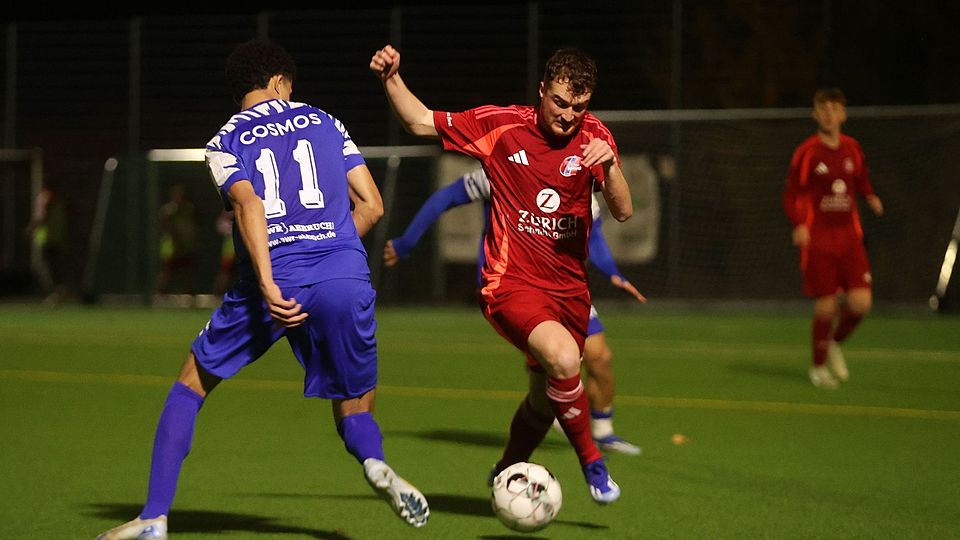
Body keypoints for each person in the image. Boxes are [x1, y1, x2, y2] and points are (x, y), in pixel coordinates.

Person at [96, 39, 429, 540]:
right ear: (279, 82)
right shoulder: (324, 120)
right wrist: (328, 243)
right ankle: (376, 463)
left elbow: (249, 206)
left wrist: (271, 281)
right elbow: (373, 206)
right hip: (345, 272)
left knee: (191, 384)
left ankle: (153, 518)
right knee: (356, 400)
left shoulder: (223, 142)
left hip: (277, 280)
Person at [370, 44, 633, 504]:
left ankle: (508, 468)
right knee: (567, 360)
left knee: (545, 398)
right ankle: (593, 462)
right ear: (541, 91)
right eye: (560, 102)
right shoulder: (501, 125)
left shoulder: (596, 136)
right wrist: (392, 78)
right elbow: (420, 120)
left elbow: (624, 210)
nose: (569, 115)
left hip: (570, 292)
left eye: (580, 106)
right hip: (509, 284)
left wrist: (609, 165)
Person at [384, 167, 646, 455]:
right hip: (514, 286)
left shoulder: (581, 182)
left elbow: (592, 237)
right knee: (551, 361)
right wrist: (406, 244)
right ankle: (548, 422)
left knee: (600, 358)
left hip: (563, 287)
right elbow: (444, 199)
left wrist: (612, 273)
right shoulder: (501, 167)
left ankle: (603, 430)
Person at [783, 87, 884, 389]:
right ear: (815, 114)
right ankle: (818, 367)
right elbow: (793, 194)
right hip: (819, 239)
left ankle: (834, 343)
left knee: (861, 303)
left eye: (834, 109)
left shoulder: (853, 148)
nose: (828, 115)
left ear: (843, 114)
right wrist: (799, 223)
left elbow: (861, 180)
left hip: (850, 238)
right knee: (826, 305)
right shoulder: (807, 152)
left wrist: (870, 196)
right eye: (822, 109)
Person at [25, 184, 68, 304]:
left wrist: (31, 228)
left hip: (48, 237)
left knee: (48, 265)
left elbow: (41, 216)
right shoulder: (59, 200)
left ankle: (54, 293)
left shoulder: (45, 198)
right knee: (53, 264)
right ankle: (57, 291)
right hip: (53, 237)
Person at [156, 183, 198, 295]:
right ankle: (159, 295)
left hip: (185, 245)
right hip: (172, 246)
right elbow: (163, 225)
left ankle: (190, 296)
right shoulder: (168, 210)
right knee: (167, 272)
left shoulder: (188, 208)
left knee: (187, 272)